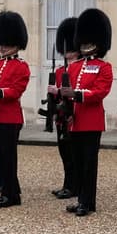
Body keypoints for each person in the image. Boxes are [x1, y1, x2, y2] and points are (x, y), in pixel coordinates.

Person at [60, 8, 113, 217]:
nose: (84, 46)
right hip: (75, 120)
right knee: (78, 162)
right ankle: (81, 199)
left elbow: (100, 92)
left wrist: (77, 94)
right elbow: (68, 93)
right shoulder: (73, 68)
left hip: (91, 121)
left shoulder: (104, 67)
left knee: (89, 163)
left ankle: (88, 202)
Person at [0, 10, 31, 208]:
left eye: (6, 43)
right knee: (0, 158)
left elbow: (16, 91)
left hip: (10, 118)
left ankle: (11, 196)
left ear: (16, 44)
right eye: (0, 43)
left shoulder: (22, 66)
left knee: (9, 158)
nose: (1, 47)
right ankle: (12, 188)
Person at [49, 17, 79, 200]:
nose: (67, 52)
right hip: (61, 116)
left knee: (74, 153)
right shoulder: (60, 71)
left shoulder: (80, 68)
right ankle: (68, 184)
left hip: (73, 116)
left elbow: (76, 91)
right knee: (64, 152)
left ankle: (74, 185)